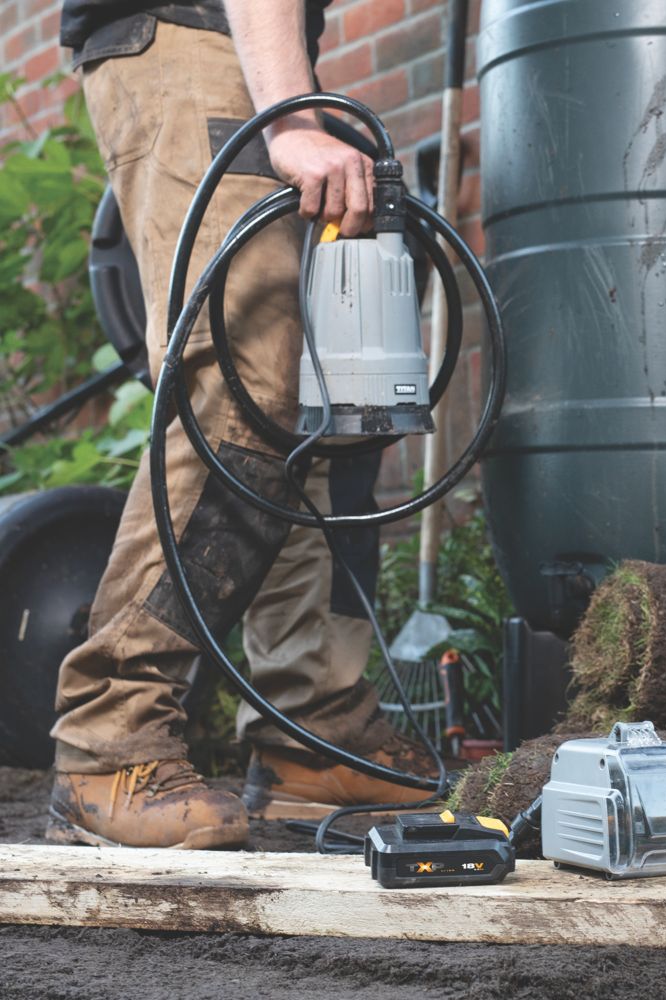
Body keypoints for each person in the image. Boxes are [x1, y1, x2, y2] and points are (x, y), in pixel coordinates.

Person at [47, 0, 435, 851]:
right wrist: (288, 113)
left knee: (315, 404)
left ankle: (313, 736)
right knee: (239, 388)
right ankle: (109, 736)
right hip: (189, 39)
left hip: (249, 47)